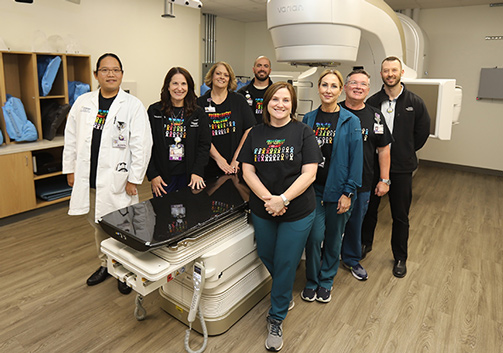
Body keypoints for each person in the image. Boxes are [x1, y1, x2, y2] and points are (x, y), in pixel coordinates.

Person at [238, 82, 322, 352]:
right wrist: (269, 200)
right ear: (267, 103)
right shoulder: (255, 133)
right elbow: (247, 171)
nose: (280, 104)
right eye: (275, 99)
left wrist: (283, 199)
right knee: (266, 253)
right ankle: (284, 293)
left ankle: (276, 317)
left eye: (286, 100)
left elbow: (309, 173)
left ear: (292, 105)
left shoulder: (303, 132)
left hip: (297, 210)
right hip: (264, 208)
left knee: (286, 261)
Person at [63, 53, 152, 294]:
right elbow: (71, 139)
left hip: (119, 179)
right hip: (89, 178)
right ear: (96, 75)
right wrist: (70, 170)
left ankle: (124, 270)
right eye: (105, 70)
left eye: (115, 70)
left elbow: (142, 145)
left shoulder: (132, 105)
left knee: (123, 226)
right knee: (97, 225)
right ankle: (105, 264)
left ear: (122, 74)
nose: (110, 74)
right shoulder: (83, 103)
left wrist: (135, 178)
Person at [362, 56, 431, 278]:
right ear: (381, 74)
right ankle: (365, 244)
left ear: (401, 73)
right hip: (373, 166)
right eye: (385, 70)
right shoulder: (372, 102)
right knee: (369, 210)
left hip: (401, 167)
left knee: (400, 215)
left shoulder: (415, 102)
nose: (390, 74)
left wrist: (404, 150)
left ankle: (400, 257)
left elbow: (421, 133)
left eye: (394, 70)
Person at [301, 69, 363, 303]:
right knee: (314, 237)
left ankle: (326, 281)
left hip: (339, 191)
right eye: (324, 85)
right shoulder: (308, 118)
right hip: (313, 190)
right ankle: (311, 280)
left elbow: (356, 159)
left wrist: (348, 192)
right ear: (318, 88)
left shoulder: (350, 120)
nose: (328, 90)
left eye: (333, 86)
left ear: (341, 90)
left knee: (334, 239)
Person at [339, 69, 393, 281]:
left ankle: (351, 259)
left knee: (355, 223)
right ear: (345, 87)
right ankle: (327, 258)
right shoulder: (333, 112)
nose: (358, 87)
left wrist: (384, 179)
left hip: (363, 182)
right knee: (330, 224)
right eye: (354, 83)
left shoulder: (376, 117)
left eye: (363, 84)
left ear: (368, 90)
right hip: (334, 181)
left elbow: (384, 150)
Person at [146, 67, 211, 196]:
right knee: (163, 213)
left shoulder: (198, 113)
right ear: (168, 86)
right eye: (175, 83)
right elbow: (146, 146)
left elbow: (204, 145)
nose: (179, 88)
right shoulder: (154, 111)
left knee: (190, 213)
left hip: (189, 176)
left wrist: (197, 171)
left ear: (189, 87)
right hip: (162, 178)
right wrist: (153, 175)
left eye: (183, 84)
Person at [197, 62, 255, 179]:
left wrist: (237, 158)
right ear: (211, 76)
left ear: (230, 79)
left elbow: (249, 128)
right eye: (218, 73)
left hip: (236, 165)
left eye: (226, 75)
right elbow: (200, 135)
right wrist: (218, 159)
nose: (222, 77)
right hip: (208, 165)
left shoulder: (238, 100)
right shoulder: (200, 103)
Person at [237, 55, 273, 124]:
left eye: (266, 66)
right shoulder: (242, 93)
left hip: (272, 133)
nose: (262, 69)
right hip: (249, 133)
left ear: (270, 70)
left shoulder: (276, 92)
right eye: (259, 65)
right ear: (253, 69)